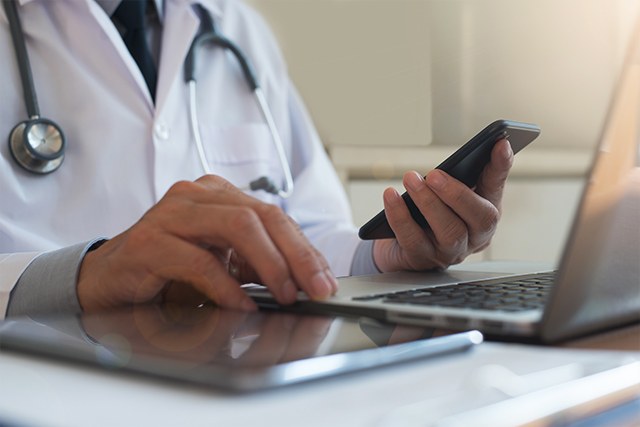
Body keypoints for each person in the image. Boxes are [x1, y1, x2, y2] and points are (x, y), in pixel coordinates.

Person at [0, 0, 513, 318]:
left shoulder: (237, 28)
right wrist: (84, 275)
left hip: (231, 372)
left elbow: (304, 231)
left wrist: (394, 254)